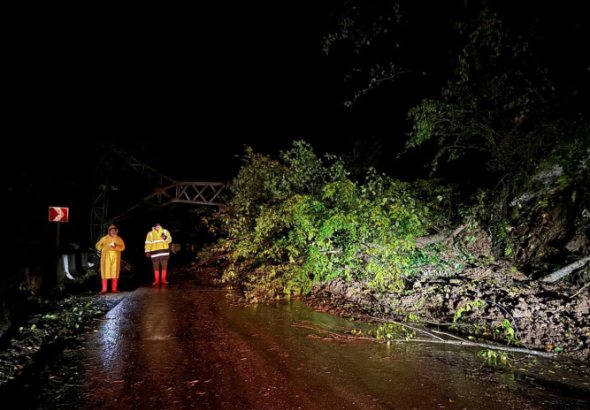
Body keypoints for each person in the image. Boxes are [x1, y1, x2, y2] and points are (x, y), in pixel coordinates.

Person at [95, 224, 126, 294]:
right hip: (106, 258)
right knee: (105, 272)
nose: (113, 232)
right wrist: (101, 245)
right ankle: (104, 289)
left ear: (116, 231)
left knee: (115, 272)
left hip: (115, 258)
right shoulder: (104, 238)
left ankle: (114, 289)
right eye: (111, 231)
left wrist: (116, 247)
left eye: (114, 231)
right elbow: (97, 246)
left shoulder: (119, 239)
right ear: (109, 231)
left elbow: (123, 247)